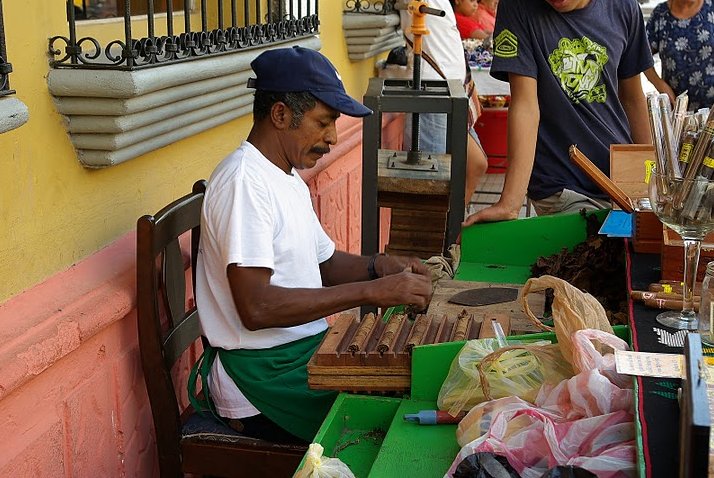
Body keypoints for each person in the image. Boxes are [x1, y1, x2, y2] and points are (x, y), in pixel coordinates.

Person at [190, 46, 433, 444]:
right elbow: (257, 307)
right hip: (262, 380)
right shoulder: (244, 183)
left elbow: (325, 264)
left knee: (411, 383)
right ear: (281, 114)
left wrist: (380, 266)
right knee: (395, 418)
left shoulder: (284, 176)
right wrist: (371, 291)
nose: (333, 138)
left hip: (297, 355)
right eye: (324, 122)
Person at [463, 0, 652, 224]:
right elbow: (525, 104)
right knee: (590, 249)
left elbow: (632, 98)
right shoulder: (518, 6)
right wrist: (510, 203)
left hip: (621, 178)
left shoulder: (623, 7)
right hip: (560, 184)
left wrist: (650, 177)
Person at [400, 0, 489, 207]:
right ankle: (441, 233)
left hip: (453, 92)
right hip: (434, 93)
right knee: (435, 179)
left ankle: (451, 229)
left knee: (476, 164)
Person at [645, 0, 714, 111]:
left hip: (711, 110)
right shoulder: (660, 14)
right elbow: (642, 57)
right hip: (676, 111)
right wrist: (659, 84)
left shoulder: (711, 9)